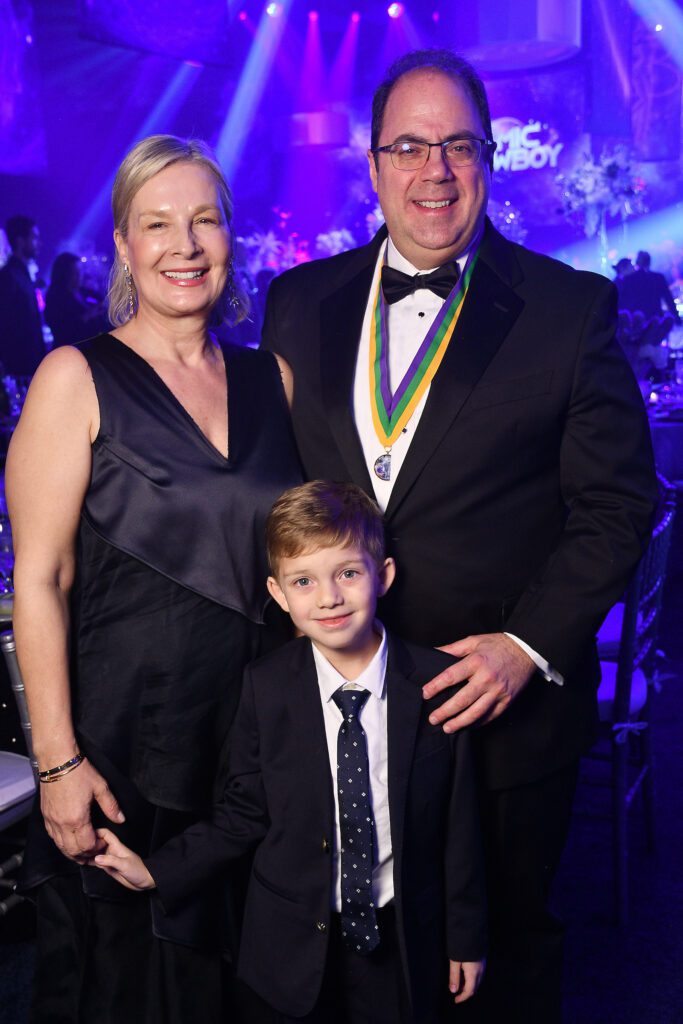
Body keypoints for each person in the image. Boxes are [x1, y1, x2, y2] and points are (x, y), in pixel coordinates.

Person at [261, 48, 658, 1023]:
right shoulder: (298, 301)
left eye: (457, 146)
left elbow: (618, 505)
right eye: (408, 145)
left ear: (487, 160)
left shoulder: (568, 308)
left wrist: (526, 646)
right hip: (336, 708)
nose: (433, 170)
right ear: (373, 163)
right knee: (346, 959)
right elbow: (267, 491)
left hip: (493, 712)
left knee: (505, 960)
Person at [6, 134, 301, 1023]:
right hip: (124, 748)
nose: (185, 244)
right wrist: (57, 762)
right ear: (124, 247)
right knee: (125, 989)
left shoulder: (270, 379)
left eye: (205, 220)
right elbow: (39, 582)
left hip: (251, 748)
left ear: (230, 238)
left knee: (245, 982)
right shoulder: (75, 376)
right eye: (158, 224)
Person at [93, 480, 487, 1024]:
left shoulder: (437, 684)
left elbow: (461, 824)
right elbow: (243, 811)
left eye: (348, 573)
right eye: (304, 581)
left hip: (399, 940)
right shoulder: (266, 687)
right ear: (279, 595)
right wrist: (159, 871)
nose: (328, 597)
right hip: (291, 948)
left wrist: (466, 936)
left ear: (384, 576)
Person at [0, 214, 45, 375]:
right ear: (20, 241)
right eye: (34, 237)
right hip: (19, 365)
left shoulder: (22, 274)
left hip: (30, 362)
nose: (39, 243)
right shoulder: (8, 276)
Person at [44, 252, 107, 347]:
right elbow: (64, 329)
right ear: (65, 274)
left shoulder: (81, 292)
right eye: (75, 272)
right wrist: (89, 315)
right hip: (69, 352)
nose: (80, 276)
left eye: (80, 271)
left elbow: (102, 300)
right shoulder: (56, 298)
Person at [619, 249, 681, 322]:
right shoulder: (658, 277)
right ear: (649, 262)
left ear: (637, 263)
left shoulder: (628, 280)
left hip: (638, 320)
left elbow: (624, 302)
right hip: (656, 318)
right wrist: (676, 317)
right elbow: (668, 299)